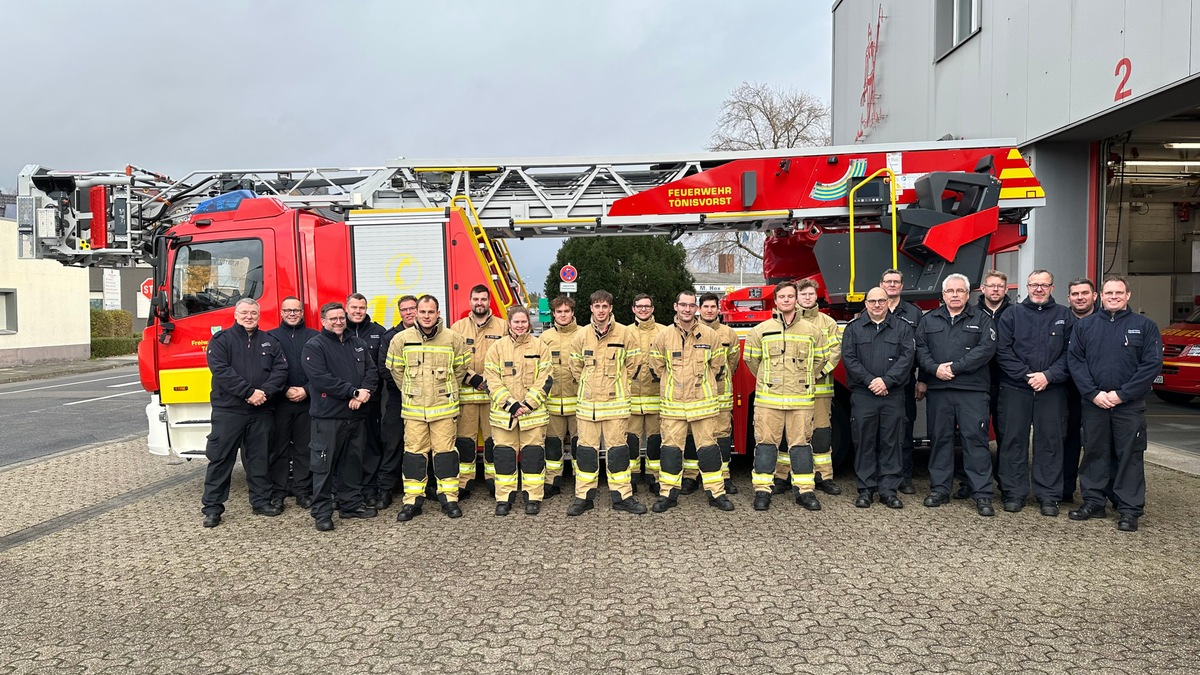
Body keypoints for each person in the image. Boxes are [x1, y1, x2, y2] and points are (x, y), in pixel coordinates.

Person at [1067, 276, 1162, 532]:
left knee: (1129, 455)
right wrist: (1092, 393)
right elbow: (1075, 362)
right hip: (1094, 403)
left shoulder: (1144, 326)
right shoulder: (1085, 326)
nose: (1114, 296)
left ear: (1128, 295)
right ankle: (1094, 502)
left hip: (1128, 406)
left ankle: (1129, 509)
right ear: (1100, 295)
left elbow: (1151, 365)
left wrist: (1122, 394)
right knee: (1095, 453)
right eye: (1109, 292)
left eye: (1119, 292)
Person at [200, 298, 289, 528]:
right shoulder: (221, 341)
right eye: (244, 313)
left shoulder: (270, 341)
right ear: (235, 315)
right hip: (230, 411)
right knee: (221, 459)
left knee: (259, 459)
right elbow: (221, 371)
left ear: (259, 315)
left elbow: (281, 370)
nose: (249, 316)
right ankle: (212, 508)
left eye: (253, 313)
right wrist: (248, 392)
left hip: (261, 410)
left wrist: (264, 393)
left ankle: (260, 502)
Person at [994, 270, 1075, 516]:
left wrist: (1048, 376)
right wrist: (1027, 375)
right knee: (1012, 440)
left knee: (1050, 442)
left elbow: (1071, 354)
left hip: (1052, 390)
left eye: (1044, 285)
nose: (1039, 289)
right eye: (1034, 285)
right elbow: (1002, 351)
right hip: (1016, 388)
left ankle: (1049, 496)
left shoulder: (1065, 316)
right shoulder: (1012, 314)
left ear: (1052, 288)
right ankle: (1013, 493)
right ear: (1027, 287)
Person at [916, 273, 998, 517]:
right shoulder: (929, 320)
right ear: (943, 295)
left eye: (959, 291)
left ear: (968, 293)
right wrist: (934, 369)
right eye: (950, 291)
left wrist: (954, 367)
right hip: (940, 390)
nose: (954, 295)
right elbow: (920, 349)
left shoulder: (982, 319)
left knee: (976, 441)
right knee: (940, 440)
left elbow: (986, 350)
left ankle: (982, 494)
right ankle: (940, 489)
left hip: (972, 390)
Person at [743, 281, 828, 512]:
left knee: (801, 446)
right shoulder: (760, 331)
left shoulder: (813, 332)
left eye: (791, 296)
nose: (787, 300)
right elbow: (752, 361)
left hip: (800, 401)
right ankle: (762, 491)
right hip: (768, 401)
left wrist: (802, 380)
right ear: (776, 300)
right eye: (783, 297)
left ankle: (804, 491)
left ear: (796, 299)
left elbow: (819, 360)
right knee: (766, 446)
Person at [648, 290, 733, 512]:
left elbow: (718, 366)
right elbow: (656, 368)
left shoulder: (710, 335)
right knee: (671, 451)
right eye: (682, 305)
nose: (687, 309)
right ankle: (668, 494)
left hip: (703, 405)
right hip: (673, 406)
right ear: (675, 307)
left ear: (696, 308)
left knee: (708, 450)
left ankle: (716, 493)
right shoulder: (663, 337)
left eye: (690, 305)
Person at [388, 295, 471, 522]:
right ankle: (412, 501)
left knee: (445, 456)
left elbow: (460, 369)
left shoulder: (453, 339)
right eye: (422, 312)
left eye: (430, 312)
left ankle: (449, 499)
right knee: (414, 456)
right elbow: (396, 371)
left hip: (444, 409)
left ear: (438, 313)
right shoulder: (400, 339)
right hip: (414, 411)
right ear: (416, 313)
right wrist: (412, 391)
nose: (426, 316)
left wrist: (443, 390)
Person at [301, 302, 380, 531]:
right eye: (333, 318)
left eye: (341, 318)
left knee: (351, 464)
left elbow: (371, 372)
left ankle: (351, 506)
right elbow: (321, 378)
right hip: (328, 418)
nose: (338, 322)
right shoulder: (314, 346)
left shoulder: (358, 343)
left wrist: (363, 394)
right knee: (323, 467)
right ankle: (322, 513)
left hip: (355, 416)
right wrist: (352, 392)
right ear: (323, 321)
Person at [567, 290, 647, 516]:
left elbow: (634, 365)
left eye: (605, 306)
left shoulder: (625, 334)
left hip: (616, 407)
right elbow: (575, 368)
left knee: (618, 453)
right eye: (597, 306)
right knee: (586, 453)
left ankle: (622, 497)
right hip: (587, 407)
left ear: (611, 308)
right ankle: (583, 498)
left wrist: (618, 385)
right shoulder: (581, 335)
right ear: (591, 308)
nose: (601, 310)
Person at [841, 287, 915, 508]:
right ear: (865, 304)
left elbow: (907, 358)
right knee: (864, 441)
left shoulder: (902, 327)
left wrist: (886, 381)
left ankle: (888, 491)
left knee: (891, 442)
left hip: (893, 394)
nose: (876, 305)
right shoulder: (854, 329)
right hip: (864, 394)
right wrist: (871, 381)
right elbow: (849, 358)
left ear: (887, 302)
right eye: (872, 301)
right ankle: (865, 489)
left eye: (881, 301)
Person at [484, 307, 553, 516]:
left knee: (533, 458)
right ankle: (504, 499)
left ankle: (533, 498)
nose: (520, 325)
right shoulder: (497, 348)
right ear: (509, 324)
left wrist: (528, 404)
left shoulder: (541, 347)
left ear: (529, 323)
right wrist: (511, 405)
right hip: (504, 416)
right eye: (516, 322)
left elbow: (546, 378)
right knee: (504, 458)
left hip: (533, 415)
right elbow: (491, 380)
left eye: (524, 322)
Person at [957, 270, 1012, 500]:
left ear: (1006, 289)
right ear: (983, 289)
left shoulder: (1015, 313)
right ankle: (968, 482)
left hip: (1006, 382)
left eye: (1000, 286)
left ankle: (1006, 485)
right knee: (971, 434)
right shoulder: (971, 313)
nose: (995, 289)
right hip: (976, 382)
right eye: (991, 286)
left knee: (1006, 434)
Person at [451, 284, 506, 497]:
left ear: (489, 301)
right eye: (476, 299)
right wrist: (470, 377)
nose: (479, 303)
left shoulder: (502, 327)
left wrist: (492, 381)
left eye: (483, 299)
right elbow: (452, 360)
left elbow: (509, 357)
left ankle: (494, 482)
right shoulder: (457, 328)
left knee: (495, 442)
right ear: (470, 301)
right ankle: (465, 482)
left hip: (493, 398)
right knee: (465, 442)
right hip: (467, 397)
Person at [266, 296, 319, 511]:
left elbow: (321, 370)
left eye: (296, 310)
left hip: (307, 401)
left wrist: (306, 390)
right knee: (278, 449)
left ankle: (302, 491)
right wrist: (284, 389)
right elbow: (267, 371)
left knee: (304, 449)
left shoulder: (314, 337)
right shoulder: (270, 337)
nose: (292, 314)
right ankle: (278, 492)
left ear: (302, 312)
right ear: (281, 313)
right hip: (280, 401)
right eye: (288, 310)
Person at [796, 280, 843, 495]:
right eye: (803, 294)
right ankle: (784, 476)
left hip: (821, 389)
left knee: (822, 433)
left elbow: (835, 351)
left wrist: (817, 373)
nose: (807, 297)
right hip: (793, 391)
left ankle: (824, 476)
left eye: (811, 294)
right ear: (797, 296)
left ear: (817, 296)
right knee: (792, 434)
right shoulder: (789, 320)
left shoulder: (828, 322)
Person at [881, 268, 923, 495]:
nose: (892, 285)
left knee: (904, 430)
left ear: (902, 286)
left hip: (904, 382)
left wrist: (922, 380)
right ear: (882, 284)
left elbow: (924, 350)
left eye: (896, 282)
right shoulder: (872, 308)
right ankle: (882, 473)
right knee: (881, 431)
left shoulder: (914, 314)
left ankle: (905, 477)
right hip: (877, 384)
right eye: (888, 281)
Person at [345, 293, 387, 509]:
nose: (358, 311)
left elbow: (379, 368)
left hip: (370, 402)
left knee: (371, 446)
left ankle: (370, 490)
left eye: (361, 307)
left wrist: (365, 393)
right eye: (354, 307)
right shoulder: (339, 333)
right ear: (347, 308)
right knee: (346, 450)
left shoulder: (378, 332)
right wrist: (352, 393)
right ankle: (347, 490)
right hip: (344, 403)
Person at [697, 292, 741, 495]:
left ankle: (724, 477)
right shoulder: (692, 331)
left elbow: (733, 362)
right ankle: (691, 477)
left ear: (718, 309)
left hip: (722, 392)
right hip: (697, 393)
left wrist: (720, 377)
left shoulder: (728, 333)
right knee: (694, 435)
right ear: (699, 309)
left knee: (722, 434)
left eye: (712, 307)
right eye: (705, 306)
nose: (709, 310)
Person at [377, 295, 418, 508]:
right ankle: (386, 489)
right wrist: (407, 389)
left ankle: (425, 486)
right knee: (392, 443)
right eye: (405, 309)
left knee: (422, 446)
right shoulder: (389, 337)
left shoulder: (430, 335)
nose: (409, 312)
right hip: (398, 397)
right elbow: (385, 368)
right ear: (399, 312)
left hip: (424, 401)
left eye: (413, 308)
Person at [538, 295, 579, 498]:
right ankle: (553, 481)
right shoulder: (545, 338)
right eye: (559, 311)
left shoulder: (583, 334)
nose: (563, 315)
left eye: (567, 311)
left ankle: (583, 481)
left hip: (579, 400)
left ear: (573, 313)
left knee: (581, 444)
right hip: (553, 401)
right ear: (553, 314)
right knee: (553, 444)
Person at [1062, 277, 1099, 502]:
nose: (1080, 298)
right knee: (1067, 441)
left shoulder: (1105, 321)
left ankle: (1097, 494)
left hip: (1096, 392)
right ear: (1069, 298)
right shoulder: (1059, 319)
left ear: (1094, 296)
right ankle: (1066, 490)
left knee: (1097, 444)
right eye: (1075, 294)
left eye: (1084, 293)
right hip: (1065, 391)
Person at [627, 294, 667, 493]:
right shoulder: (624, 333)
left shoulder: (665, 332)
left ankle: (654, 477)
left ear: (652, 308)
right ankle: (631, 478)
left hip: (656, 395)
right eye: (639, 306)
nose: (643, 310)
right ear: (633, 309)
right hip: (631, 396)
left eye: (647, 306)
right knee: (631, 441)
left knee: (655, 439)